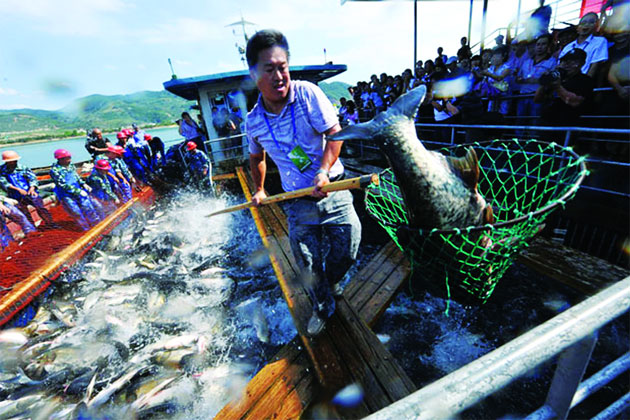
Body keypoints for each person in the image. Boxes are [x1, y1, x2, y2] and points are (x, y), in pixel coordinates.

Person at [245, 29, 361, 336]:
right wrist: (259, 189)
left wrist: (323, 170)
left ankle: (332, 281)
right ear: (254, 73)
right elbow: (257, 157)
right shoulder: (252, 121)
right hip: (297, 200)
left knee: (348, 250)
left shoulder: (308, 93)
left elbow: (335, 134)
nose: (279, 75)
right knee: (308, 266)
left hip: (333, 188)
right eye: (269, 69)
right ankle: (322, 305)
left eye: (283, 66)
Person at [536, 48, 594, 127]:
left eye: (573, 61)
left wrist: (558, 87)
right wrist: (545, 81)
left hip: (568, 125)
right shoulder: (558, 78)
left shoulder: (585, 80)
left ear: (582, 63)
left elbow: (575, 102)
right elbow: (537, 99)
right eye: (565, 61)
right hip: (547, 123)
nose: (567, 64)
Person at [0, 150, 56, 229]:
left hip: (29, 192)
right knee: (25, 212)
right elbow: (4, 183)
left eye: (15, 160)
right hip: (15, 195)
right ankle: (32, 228)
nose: (14, 162)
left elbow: (32, 178)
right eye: (11, 161)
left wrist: (32, 188)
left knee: (40, 207)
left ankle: (50, 224)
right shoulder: (1, 170)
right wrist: (18, 190)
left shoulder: (22, 168)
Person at [49, 149, 103, 231]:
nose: (69, 160)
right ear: (60, 159)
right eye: (67, 158)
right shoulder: (55, 171)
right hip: (66, 194)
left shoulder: (71, 165)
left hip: (78, 190)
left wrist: (83, 184)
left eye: (69, 157)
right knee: (76, 212)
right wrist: (79, 191)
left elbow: (76, 177)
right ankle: (85, 228)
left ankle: (96, 224)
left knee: (88, 207)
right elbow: (63, 185)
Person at [516, 34, 557, 125]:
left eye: (543, 44)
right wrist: (520, 79)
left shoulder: (552, 62)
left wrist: (539, 80)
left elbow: (553, 80)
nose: (540, 47)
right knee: (520, 123)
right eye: (538, 44)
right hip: (523, 96)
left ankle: (533, 139)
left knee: (535, 123)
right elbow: (518, 78)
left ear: (548, 46)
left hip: (538, 97)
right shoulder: (527, 62)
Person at [559, 12, 608, 77]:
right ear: (578, 27)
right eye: (583, 23)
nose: (586, 25)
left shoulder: (600, 41)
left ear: (596, 26)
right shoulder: (569, 46)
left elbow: (595, 65)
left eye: (591, 22)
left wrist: (585, 82)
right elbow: (560, 66)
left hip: (583, 80)